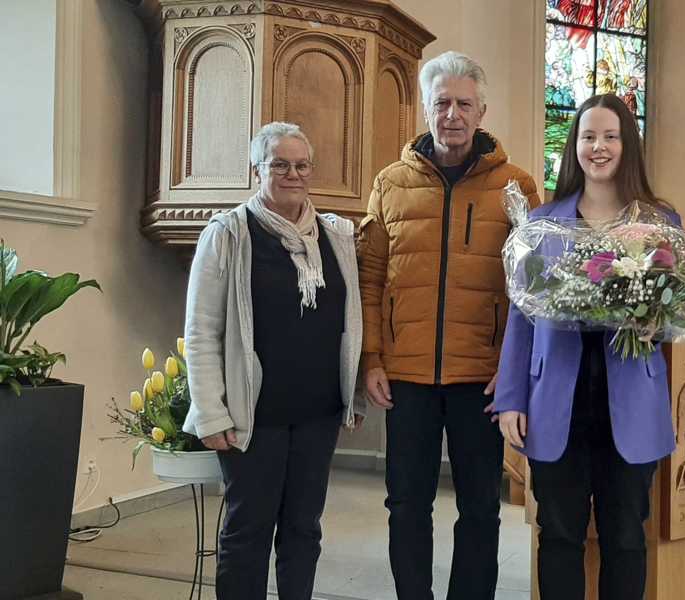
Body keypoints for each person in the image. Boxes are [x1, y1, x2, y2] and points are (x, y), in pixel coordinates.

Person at [356, 50, 540, 600]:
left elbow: (530, 289)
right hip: (406, 373)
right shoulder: (390, 183)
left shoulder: (517, 187)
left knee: (480, 504)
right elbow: (370, 278)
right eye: (442, 103)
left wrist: (512, 369)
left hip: (481, 376)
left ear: (482, 110)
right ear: (425, 109)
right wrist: (372, 358)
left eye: (464, 103)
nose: (452, 114)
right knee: (406, 501)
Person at [495, 93, 677, 600]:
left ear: (628, 145)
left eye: (610, 136)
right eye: (588, 136)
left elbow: (676, 312)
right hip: (556, 400)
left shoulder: (660, 222)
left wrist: (654, 323)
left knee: (625, 537)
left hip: (631, 401)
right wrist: (511, 396)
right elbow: (522, 315)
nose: (598, 147)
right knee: (558, 535)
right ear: (574, 145)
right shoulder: (541, 224)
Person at [182, 121, 365, 600]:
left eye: (302, 165)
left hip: (317, 412)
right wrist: (210, 411)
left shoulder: (334, 236)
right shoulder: (228, 234)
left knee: (304, 529)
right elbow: (201, 332)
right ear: (257, 168)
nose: (292, 174)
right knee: (249, 531)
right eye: (280, 164)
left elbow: (351, 320)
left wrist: (353, 393)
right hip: (251, 414)